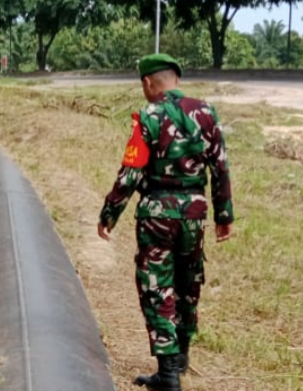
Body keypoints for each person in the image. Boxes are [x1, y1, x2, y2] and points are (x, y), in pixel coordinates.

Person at [97, 54, 234, 391]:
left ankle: (169, 375)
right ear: (176, 79)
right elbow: (220, 167)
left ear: (148, 83)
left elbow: (131, 173)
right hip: (194, 215)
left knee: (157, 287)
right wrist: (224, 215)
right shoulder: (206, 113)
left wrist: (109, 214)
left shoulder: (149, 116)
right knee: (189, 283)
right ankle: (182, 356)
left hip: (157, 214)